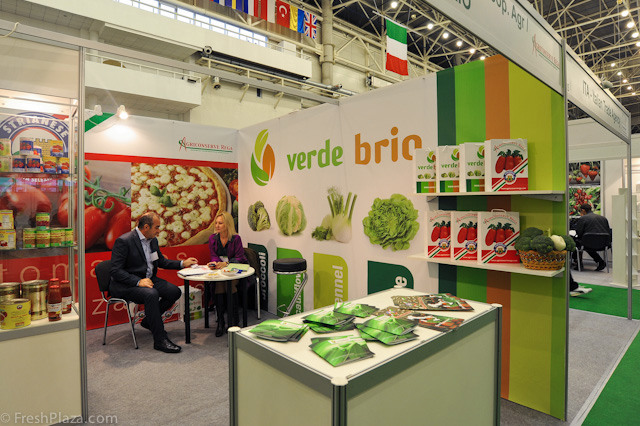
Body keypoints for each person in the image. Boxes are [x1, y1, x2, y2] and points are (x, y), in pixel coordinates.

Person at [110, 212, 198, 353]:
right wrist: (138, 281)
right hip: (127, 284)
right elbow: (115, 271)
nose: (159, 231)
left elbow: (161, 261)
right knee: (151, 294)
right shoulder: (124, 241)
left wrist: (182, 263)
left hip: (149, 280)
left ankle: (148, 321)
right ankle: (160, 340)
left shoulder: (152, 240)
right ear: (146, 227)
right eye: (157, 227)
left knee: (174, 292)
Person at [207, 211, 247, 337]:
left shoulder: (236, 238)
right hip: (220, 271)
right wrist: (215, 263)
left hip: (235, 270)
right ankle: (221, 321)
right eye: (216, 223)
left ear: (228, 224)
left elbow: (240, 257)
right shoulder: (212, 238)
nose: (217, 226)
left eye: (220, 223)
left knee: (229, 283)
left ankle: (233, 320)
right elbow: (213, 255)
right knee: (219, 283)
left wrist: (227, 263)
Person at [573, 203, 610, 271]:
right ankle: (600, 262)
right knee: (588, 242)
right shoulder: (603, 218)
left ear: (583, 210)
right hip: (603, 244)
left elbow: (579, 233)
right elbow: (608, 231)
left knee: (578, 242)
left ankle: (578, 262)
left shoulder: (583, 218)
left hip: (588, 243)